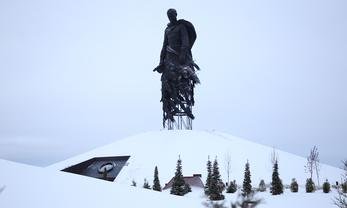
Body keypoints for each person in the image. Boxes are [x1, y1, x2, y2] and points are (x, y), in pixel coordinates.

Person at [154, 9, 199, 127]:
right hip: (169, 57)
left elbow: (185, 42)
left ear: (175, 15)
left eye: (172, 15)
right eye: (168, 15)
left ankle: (185, 103)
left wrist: (183, 55)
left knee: (183, 80)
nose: (170, 17)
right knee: (166, 81)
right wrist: (160, 61)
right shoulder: (167, 29)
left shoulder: (181, 27)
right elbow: (164, 45)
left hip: (180, 56)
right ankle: (169, 109)